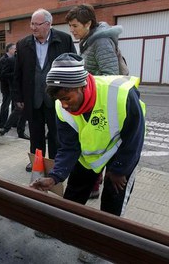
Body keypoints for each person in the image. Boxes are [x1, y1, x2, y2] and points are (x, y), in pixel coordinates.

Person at [30, 53, 145, 261]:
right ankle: (63, 227)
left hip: (120, 152)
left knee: (112, 201)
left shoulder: (120, 94)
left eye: (66, 98)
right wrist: (55, 177)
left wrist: (119, 169)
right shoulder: (61, 107)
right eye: (59, 99)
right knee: (75, 192)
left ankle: (103, 245)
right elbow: (68, 147)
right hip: (89, 155)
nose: (63, 104)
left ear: (81, 86)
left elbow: (135, 136)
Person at [66, 4, 124, 199]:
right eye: (70, 26)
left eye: (75, 26)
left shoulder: (101, 42)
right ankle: (94, 184)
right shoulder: (89, 41)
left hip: (103, 107)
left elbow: (111, 78)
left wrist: (86, 89)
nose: (71, 30)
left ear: (88, 23)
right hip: (94, 104)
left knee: (99, 150)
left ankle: (94, 185)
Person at [12, 8, 76, 172]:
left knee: (56, 133)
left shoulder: (64, 40)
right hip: (32, 97)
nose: (33, 27)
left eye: (37, 24)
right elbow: (17, 73)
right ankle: (37, 162)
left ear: (48, 24)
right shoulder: (23, 44)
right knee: (35, 133)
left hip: (57, 98)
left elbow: (73, 67)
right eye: (32, 24)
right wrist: (18, 97)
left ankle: (56, 164)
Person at [0, 43, 29, 139]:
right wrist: (15, 75)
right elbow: (3, 74)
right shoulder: (10, 60)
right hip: (14, 89)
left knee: (23, 109)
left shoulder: (26, 60)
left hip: (25, 88)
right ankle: (6, 128)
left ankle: (18, 130)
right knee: (18, 108)